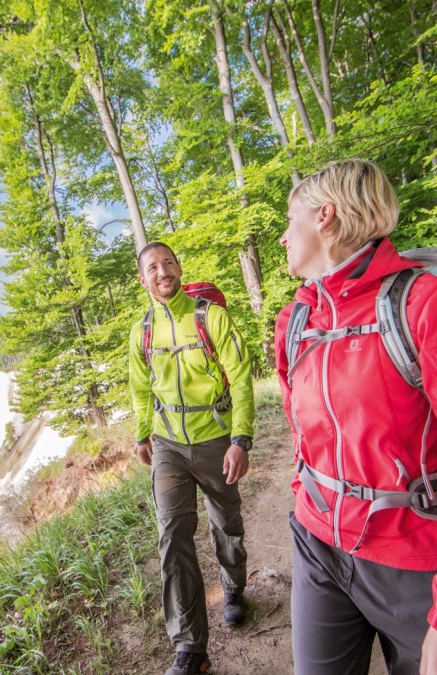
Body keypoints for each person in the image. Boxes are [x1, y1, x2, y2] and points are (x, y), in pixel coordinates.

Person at [274, 159, 437, 675]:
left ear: (324, 216)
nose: (284, 237)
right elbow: (301, 426)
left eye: (291, 220)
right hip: (316, 542)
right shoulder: (295, 319)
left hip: (411, 556)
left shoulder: (424, 302)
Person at [129, 242, 255, 675]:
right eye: (152, 267)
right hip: (167, 446)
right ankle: (190, 648)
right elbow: (141, 388)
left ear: (179, 267)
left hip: (216, 440)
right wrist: (142, 435)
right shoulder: (142, 329)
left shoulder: (210, 316)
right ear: (143, 279)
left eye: (167, 263)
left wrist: (241, 438)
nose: (162, 271)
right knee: (172, 536)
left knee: (226, 522)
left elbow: (240, 376)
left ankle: (234, 588)